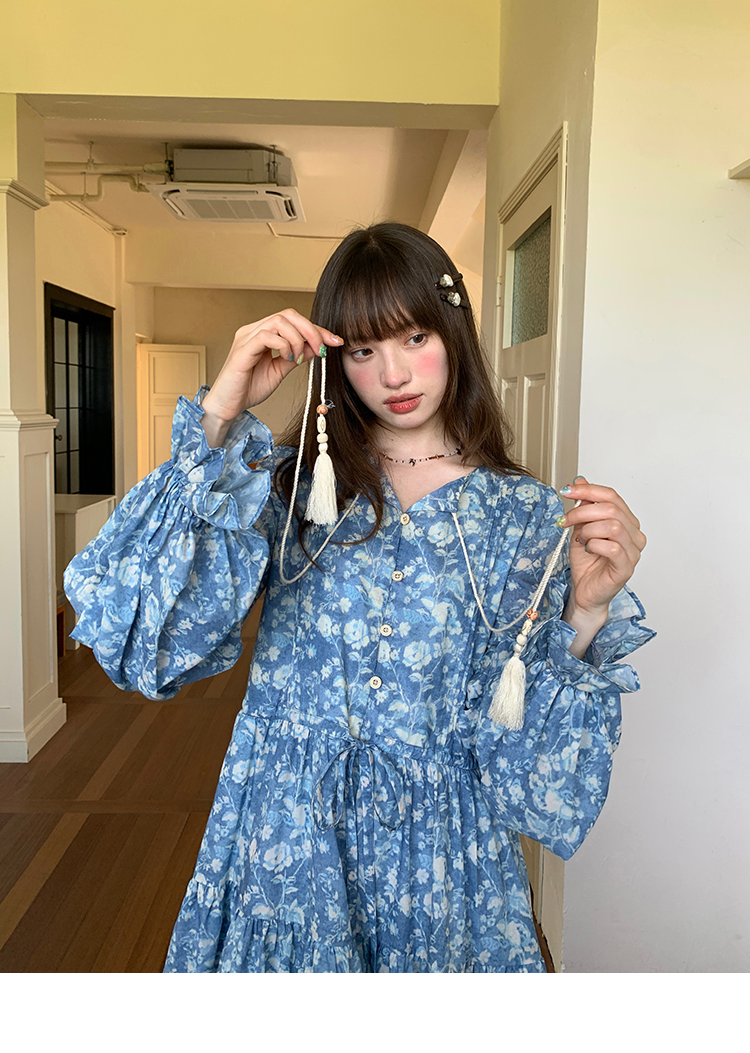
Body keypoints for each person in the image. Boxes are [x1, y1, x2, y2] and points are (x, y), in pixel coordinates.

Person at [64, 222, 654, 973]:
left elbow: (530, 777)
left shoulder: (525, 515)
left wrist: (587, 612)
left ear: (453, 333)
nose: (394, 374)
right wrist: (219, 415)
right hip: (287, 837)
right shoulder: (282, 488)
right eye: (364, 350)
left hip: (438, 860)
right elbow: (145, 641)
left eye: (414, 338)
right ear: (334, 361)